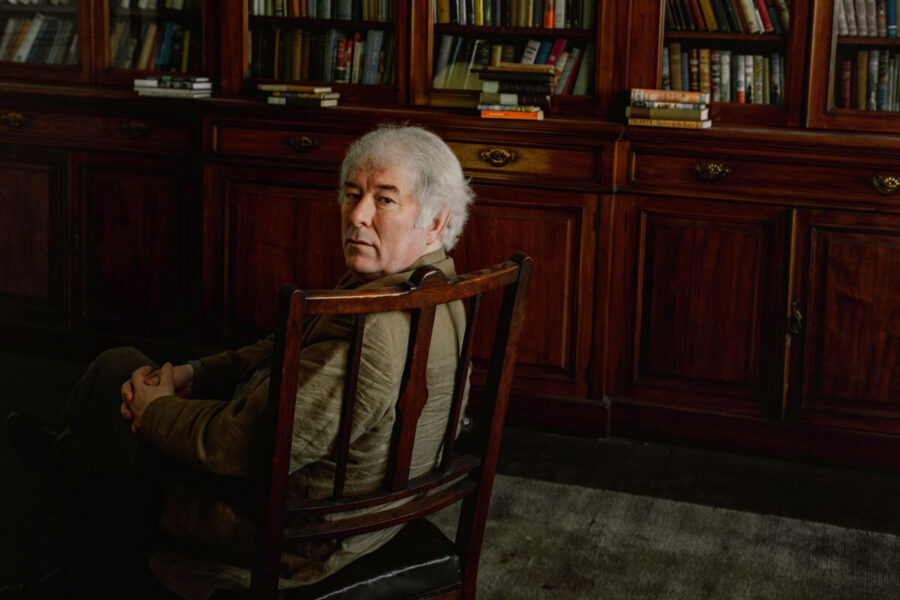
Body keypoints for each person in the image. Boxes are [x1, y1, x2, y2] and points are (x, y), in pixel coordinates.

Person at [3, 124, 475, 599]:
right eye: (352, 194)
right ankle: (73, 458)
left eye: (385, 200)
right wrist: (198, 372)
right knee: (119, 398)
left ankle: (69, 527)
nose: (358, 214)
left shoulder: (377, 328)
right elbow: (290, 345)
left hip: (295, 532)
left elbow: (248, 445)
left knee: (116, 374)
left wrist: (154, 410)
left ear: (435, 221)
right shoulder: (436, 290)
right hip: (373, 507)